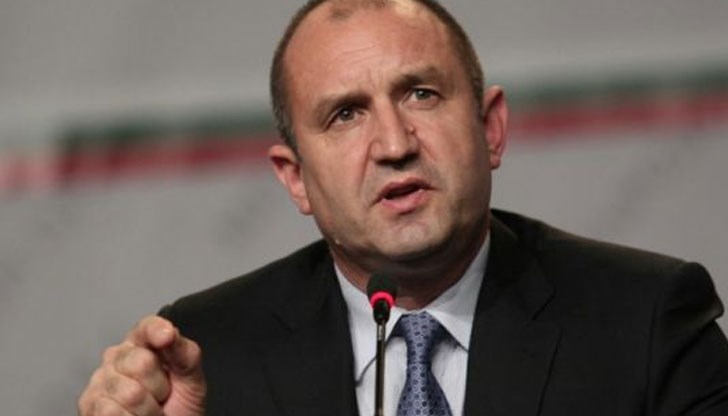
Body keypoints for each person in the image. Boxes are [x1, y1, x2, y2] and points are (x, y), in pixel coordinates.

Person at [77, 0, 728, 415]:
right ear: (296, 179)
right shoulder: (207, 357)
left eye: (421, 94)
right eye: (345, 114)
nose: (394, 145)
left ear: (490, 129)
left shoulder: (645, 320)